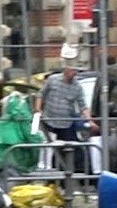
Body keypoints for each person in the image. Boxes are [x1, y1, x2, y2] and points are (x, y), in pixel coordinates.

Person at [38, 46, 93, 174]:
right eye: (74, 71)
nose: (75, 74)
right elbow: (41, 94)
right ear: (66, 70)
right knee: (49, 146)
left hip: (65, 123)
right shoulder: (53, 80)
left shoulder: (77, 87)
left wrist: (89, 120)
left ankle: (73, 172)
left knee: (71, 147)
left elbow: (82, 105)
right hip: (49, 121)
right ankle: (48, 170)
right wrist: (38, 109)